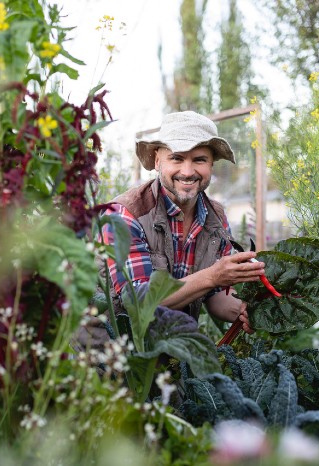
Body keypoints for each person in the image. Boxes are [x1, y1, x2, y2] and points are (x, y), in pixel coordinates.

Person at [98, 110, 266, 336]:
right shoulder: (125, 214)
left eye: (199, 160)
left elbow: (214, 294)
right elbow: (137, 301)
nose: (187, 172)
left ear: (211, 165)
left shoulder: (215, 217)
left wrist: (244, 311)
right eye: (176, 158)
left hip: (172, 350)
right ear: (158, 161)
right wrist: (213, 275)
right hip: (111, 352)